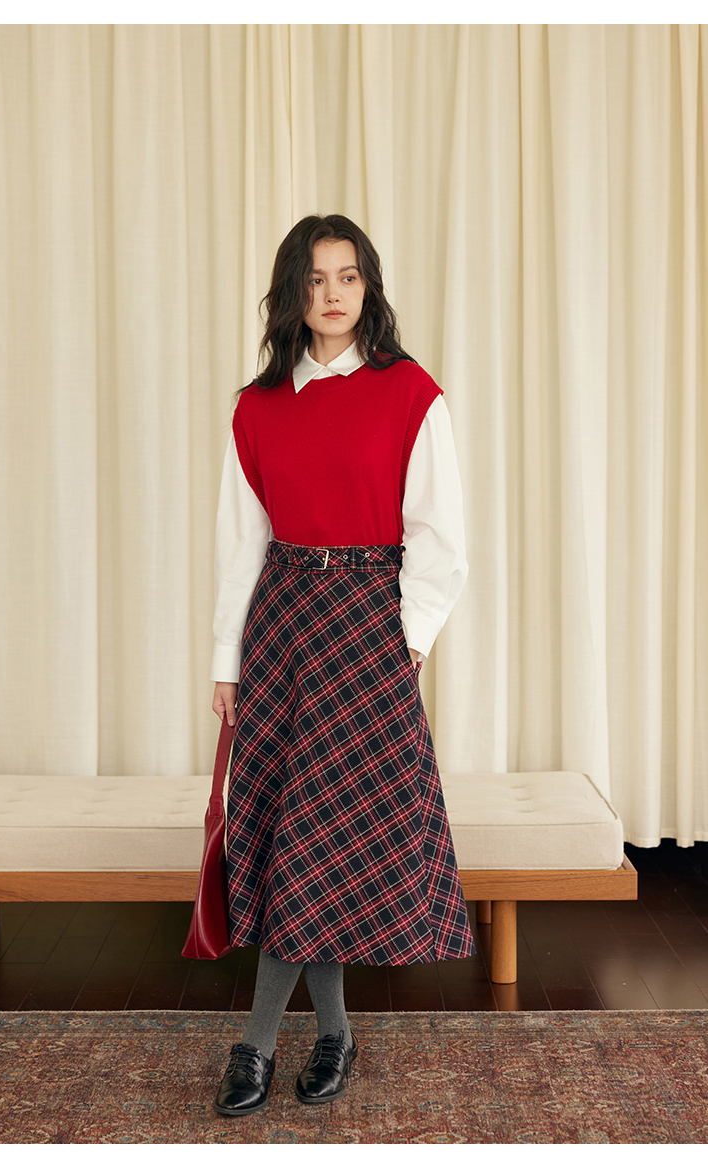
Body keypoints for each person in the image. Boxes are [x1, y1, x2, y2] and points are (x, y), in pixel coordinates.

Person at [210, 214, 475, 1117]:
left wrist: (409, 642)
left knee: (316, 836)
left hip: (368, 629)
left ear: (369, 287)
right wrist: (226, 660)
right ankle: (332, 1035)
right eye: (316, 278)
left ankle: (257, 1046)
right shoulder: (257, 407)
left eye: (349, 276)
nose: (333, 294)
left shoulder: (411, 393)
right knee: (298, 836)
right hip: (282, 625)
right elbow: (239, 546)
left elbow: (440, 537)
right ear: (293, 291)